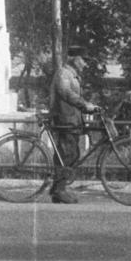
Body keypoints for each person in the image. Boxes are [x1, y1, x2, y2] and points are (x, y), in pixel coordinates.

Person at [47, 46, 95, 204]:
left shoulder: (72, 75)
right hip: (64, 118)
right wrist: (84, 104)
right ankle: (59, 190)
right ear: (75, 59)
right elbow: (65, 93)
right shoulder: (64, 74)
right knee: (67, 153)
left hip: (71, 119)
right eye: (83, 60)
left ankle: (57, 188)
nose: (85, 64)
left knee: (71, 154)